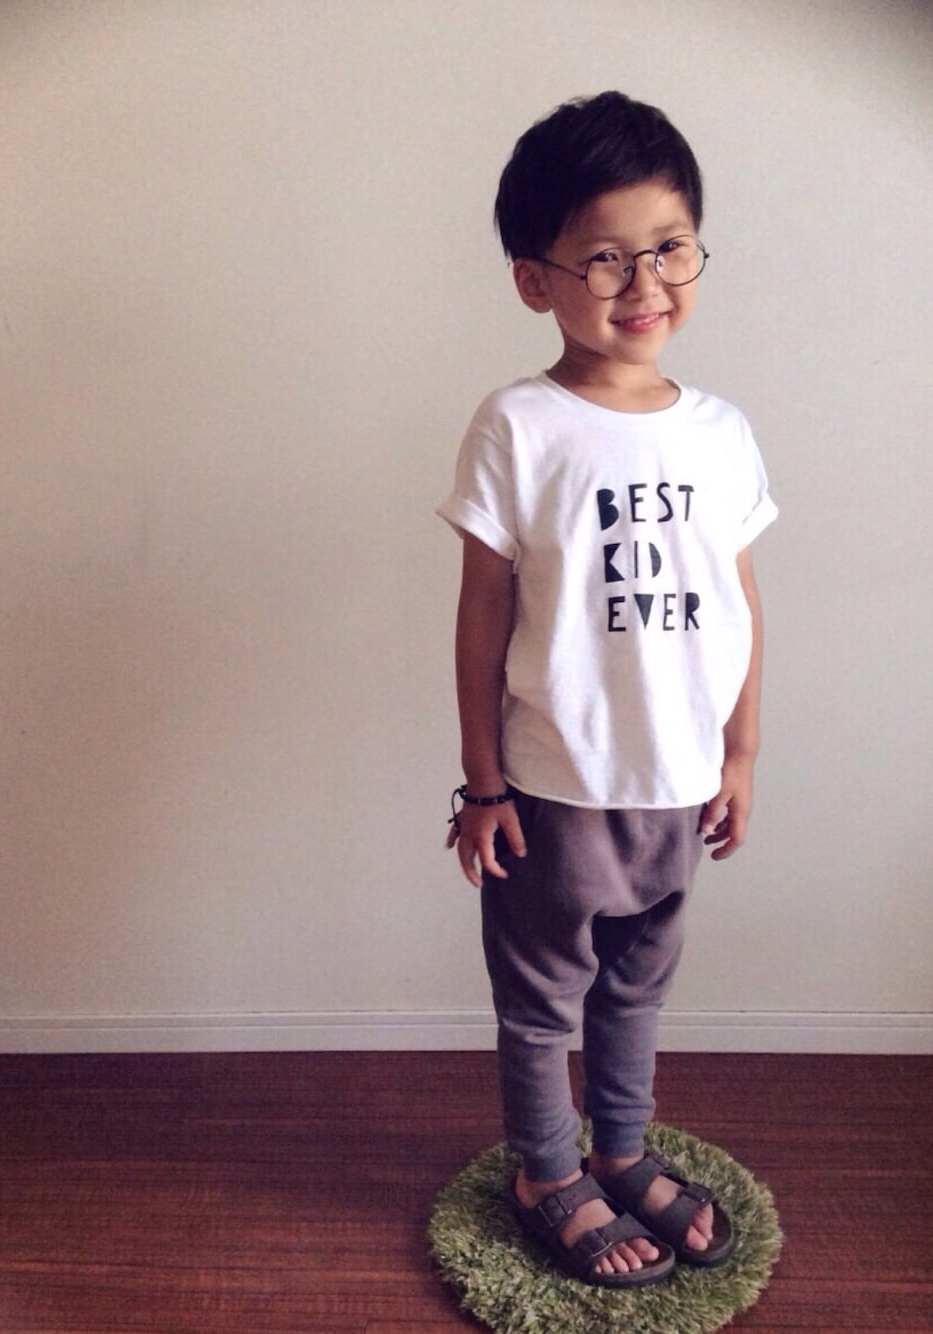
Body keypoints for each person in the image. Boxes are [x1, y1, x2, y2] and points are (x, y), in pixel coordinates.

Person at [437, 91, 777, 1288]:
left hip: (677, 781)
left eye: (669, 246)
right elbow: (482, 615)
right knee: (543, 999)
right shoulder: (519, 425)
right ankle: (545, 1168)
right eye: (603, 257)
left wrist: (739, 754)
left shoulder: (721, 431)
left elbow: (736, 603)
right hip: (556, 781)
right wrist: (481, 782)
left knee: (637, 984)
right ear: (535, 279)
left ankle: (618, 1148)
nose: (644, 282)